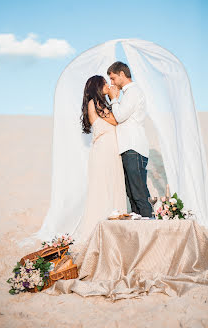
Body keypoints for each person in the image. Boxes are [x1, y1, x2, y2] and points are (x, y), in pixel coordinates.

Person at [72, 75, 127, 244]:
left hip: (109, 150)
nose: (108, 85)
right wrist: (115, 98)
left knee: (111, 185)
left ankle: (113, 228)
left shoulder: (98, 103)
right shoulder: (95, 103)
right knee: (104, 188)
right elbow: (115, 120)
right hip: (104, 151)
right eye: (104, 83)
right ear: (97, 86)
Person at [107, 61, 152, 217]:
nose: (111, 83)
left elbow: (119, 116)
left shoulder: (133, 92)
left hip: (134, 147)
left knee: (138, 193)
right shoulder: (128, 93)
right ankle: (139, 227)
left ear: (122, 74)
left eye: (113, 78)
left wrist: (113, 99)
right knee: (132, 193)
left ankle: (149, 227)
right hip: (128, 148)